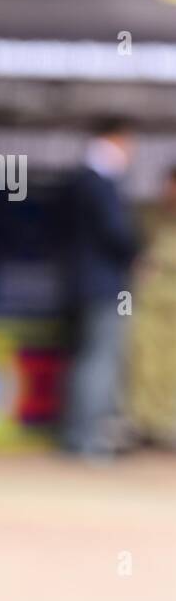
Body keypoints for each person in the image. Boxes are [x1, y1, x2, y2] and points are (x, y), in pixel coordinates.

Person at [60, 119, 142, 457]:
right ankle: (88, 438)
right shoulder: (99, 183)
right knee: (100, 360)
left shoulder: (80, 180)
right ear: (115, 140)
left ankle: (81, 435)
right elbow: (117, 233)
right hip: (103, 286)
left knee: (88, 358)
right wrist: (138, 253)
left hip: (81, 283)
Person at [127, 166, 176, 447]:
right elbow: (129, 247)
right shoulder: (148, 214)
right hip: (148, 304)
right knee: (143, 363)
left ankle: (166, 428)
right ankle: (142, 426)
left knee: (171, 368)